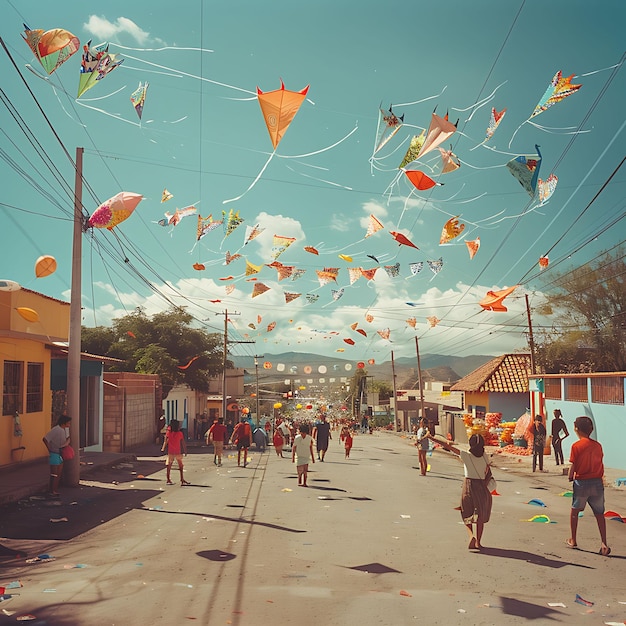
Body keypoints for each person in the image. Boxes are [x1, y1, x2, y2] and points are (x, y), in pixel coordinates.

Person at [438, 434, 493, 550]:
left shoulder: (466, 455)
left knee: (466, 511)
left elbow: (447, 446)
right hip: (482, 486)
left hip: (468, 485)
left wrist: (432, 438)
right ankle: (478, 542)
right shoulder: (485, 457)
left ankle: (470, 536)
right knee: (480, 516)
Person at [567, 416, 610, 556]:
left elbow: (573, 465)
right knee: (599, 514)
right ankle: (604, 543)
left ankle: (573, 539)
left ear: (577, 429)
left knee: (575, 511)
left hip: (582, 482)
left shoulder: (576, 446)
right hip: (597, 482)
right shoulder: (597, 445)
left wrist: (569, 476)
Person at [42, 415, 72, 497]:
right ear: (64, 422)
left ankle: (55, 490)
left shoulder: (65, 430)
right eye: (68, 422)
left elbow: (66, 439)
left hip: (60, 453)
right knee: (54, 473)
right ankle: (51, 490)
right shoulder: (56, 430)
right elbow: (45, 439)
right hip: (54, 453)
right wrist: (50, 450)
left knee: (58, 473)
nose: (69, 424)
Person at [162, 419, 189, 485]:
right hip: (177, 451)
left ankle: (168, 479)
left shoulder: (169, 433)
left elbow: (166, 441)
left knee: (169, 466)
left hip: (171, 451)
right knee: (181, 466)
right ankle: (182, 479)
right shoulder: (180, 433)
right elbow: (183, 442)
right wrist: (185, 450)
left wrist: (163, 448)